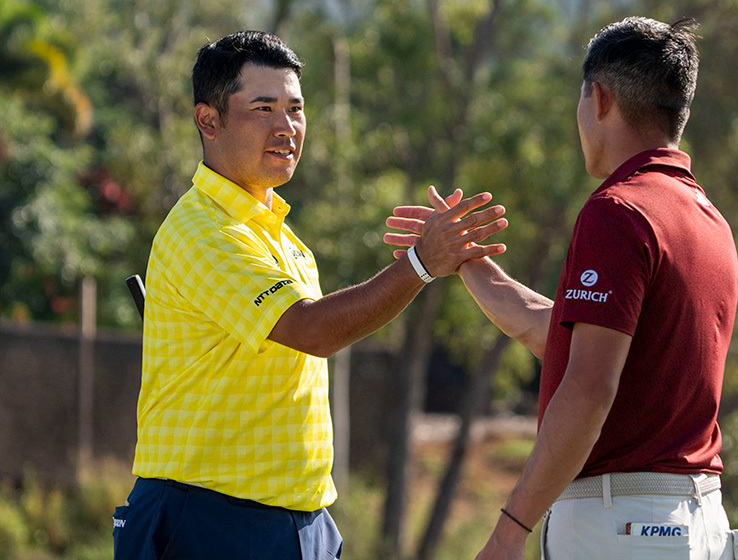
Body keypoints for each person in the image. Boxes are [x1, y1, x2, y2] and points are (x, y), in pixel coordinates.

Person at [112, 30, 507, 560]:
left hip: (299, 521)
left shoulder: (282, 239)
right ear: (208, 121)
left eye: (296, 109)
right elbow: (313, 329)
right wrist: (420, 264)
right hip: (208, 517)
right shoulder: (203, 230)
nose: (286, 128)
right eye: (263, 108)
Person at [386, 17, 738, 560]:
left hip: (623, 528)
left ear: (600, 98)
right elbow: (563, 339)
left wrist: (509, 529)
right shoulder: (708, 219)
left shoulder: (618, 211)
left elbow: (588, 387)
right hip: (696, 521)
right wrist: (469, 263)